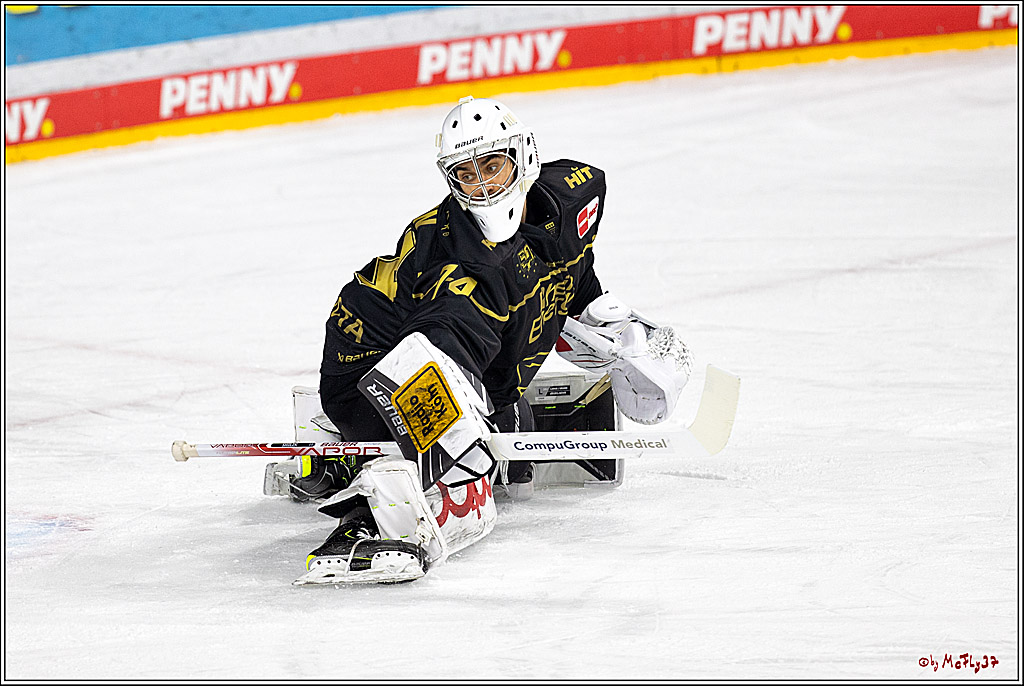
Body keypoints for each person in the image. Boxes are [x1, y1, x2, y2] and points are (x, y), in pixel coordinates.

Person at [290, 96, 691, 583]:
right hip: (364, 368)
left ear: (523, 156)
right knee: (465, 465)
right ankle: (363, 505)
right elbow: (432, 353)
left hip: (446, 345)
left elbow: (563, 275)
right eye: (467, 174)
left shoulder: (569, 199)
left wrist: (610, 329)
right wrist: (451, 451)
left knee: (499, 427)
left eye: (492, 166)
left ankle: (398, 441)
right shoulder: (460, 265)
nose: (481, 186)